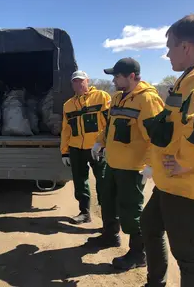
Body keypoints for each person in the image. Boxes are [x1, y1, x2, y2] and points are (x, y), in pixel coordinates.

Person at [89, 58, 164, 271]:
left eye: (117, 76)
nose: (113, 80)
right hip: (113, 163)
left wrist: (150, 164)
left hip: (133, 169)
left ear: (131, 76)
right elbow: (111, 126)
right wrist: (99, 142)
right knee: (108, 201)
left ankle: (138, 254)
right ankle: (110, 236)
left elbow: (156, 137)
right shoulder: (117, 98)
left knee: (131, 211)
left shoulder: (148, 100)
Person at [141, 14, 194, 287]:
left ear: (186, 47)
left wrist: (187, 162)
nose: (166, 53)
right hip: (168, 182)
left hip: (186, 188)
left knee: (190, 260)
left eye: (170, 46)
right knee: (149, 226)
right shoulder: (185, 79)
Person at [60, 70, 110, 224]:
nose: (79, 84)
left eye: (81, 80)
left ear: (87, 80)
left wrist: (107, 145)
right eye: (75, 81)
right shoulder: (68, 105)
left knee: (103, 181)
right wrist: (65, 152)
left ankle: (108, 217)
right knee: (80, 181)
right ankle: (84, 213)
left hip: (97, 148)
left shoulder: (101, 97)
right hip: (76, 149)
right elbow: (66, 129)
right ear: (72, 84)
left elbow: (110, 123)